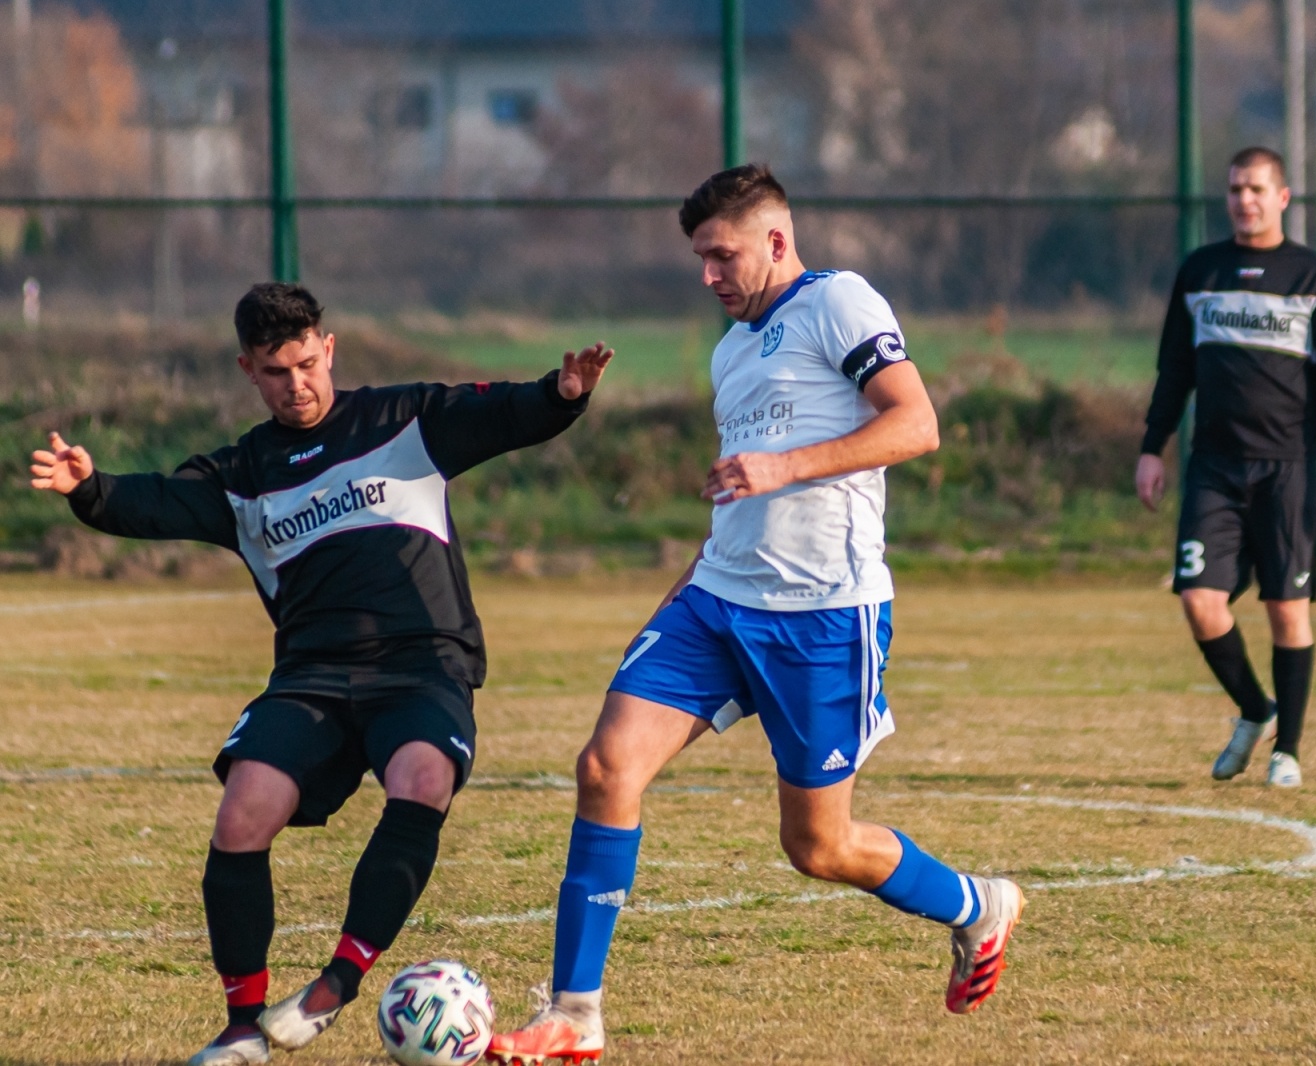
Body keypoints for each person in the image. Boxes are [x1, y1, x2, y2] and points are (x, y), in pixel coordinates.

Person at [485, 164, 1024, 1066]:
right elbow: (740, 490)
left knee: (816, 847)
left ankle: (978, 904)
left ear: (776, 240)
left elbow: (916, 424)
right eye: (698, 258)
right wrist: (678, 596)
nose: (708, 275)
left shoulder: (840, 302)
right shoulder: (732, 351)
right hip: (717, 602)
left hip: (822, 616)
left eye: (721, 254)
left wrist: (787, 466)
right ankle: (576, 1015)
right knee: (605, 766)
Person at [29, 283, 612, 1066]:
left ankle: (340, 979)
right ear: (249, 370)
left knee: (422, 776)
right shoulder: (243, 474)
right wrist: (90, 489)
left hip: (422, 664)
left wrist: (561, 395)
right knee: (241, 815)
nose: (296, 383)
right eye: (275, 371)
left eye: (307, 363)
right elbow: (155, 502)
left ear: (328, 349)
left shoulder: (403, 419)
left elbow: (503, 415)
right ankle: (242, 1027)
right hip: (312, 677)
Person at [1135, 145, 1316, 787]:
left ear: (1282, 197)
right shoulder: (1201, 271)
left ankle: (1289, 751)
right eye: (1234, 190)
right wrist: (1152, 446)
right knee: (1199, 601)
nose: (1243, 200)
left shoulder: (1311, 277)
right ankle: (1255, 710)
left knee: (1287, 611)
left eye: (1256, 189)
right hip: (1214, 470)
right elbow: (1175, 370)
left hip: (1288, 472)